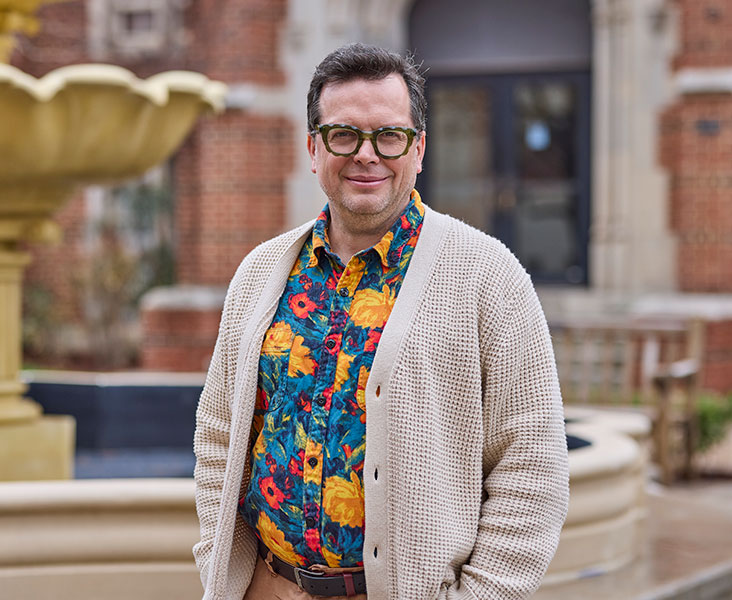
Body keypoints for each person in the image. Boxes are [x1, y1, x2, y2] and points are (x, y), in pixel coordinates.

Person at [193, 42, 569, 600]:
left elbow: (532, 465)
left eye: (389, 136)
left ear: (419, 150)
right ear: (313, 149)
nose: (366, 155)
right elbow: (218, 434)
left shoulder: (487, 276)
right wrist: (219, 565)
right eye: (343, 134)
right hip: (268, 586)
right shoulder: (260, 273)